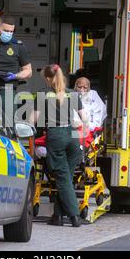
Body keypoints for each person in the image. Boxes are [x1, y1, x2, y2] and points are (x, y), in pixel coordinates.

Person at [30, 64, 89, 227]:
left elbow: (32, 121)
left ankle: (74, 216)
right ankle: (57, 216)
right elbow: (84, 119)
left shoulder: (43, 95)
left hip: (56, 136)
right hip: (73, 138)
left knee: (62, 179)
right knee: (67, 178)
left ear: (49, 79)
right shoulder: (72, 94)